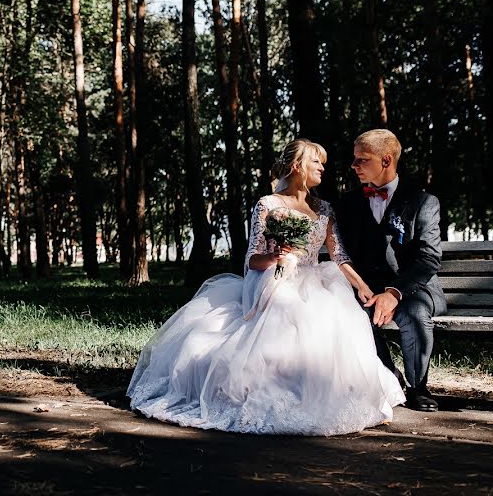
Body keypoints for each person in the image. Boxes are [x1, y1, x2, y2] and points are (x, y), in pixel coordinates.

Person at [126, 139, 404, 436]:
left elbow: (339, 256)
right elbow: (251, 260)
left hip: (315, 280)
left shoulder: (324, 208)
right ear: (297, 166)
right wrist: (274, 257)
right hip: (274, 280)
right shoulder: (268, 204)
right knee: (285, 314)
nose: (323, 168)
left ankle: (322, 392)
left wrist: (361, 285)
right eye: (316, 162)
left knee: (334, 316)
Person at [336, 129, 446, 412]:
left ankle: (417, 387)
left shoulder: (423, 202)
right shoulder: (347, 204)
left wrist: (394, 292)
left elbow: (429, 258)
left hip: (413, 288)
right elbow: (341, 251)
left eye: (362, 160)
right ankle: (389, 378)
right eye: (354, 159)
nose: (354, 166)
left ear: (386, 160)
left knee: (416, 314)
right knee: (350, 316)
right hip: (367, 289)